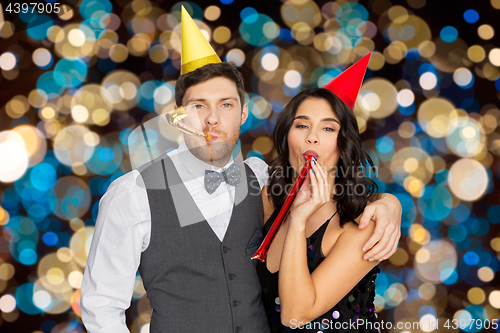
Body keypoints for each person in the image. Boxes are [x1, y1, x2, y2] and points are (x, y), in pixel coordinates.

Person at [80, 8, 401, 333]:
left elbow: (340, 198)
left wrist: (389, 204)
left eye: (226, 105)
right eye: (197, 106)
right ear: (177, 116)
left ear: (244, 113)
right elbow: (101, 308)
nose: (212, 119)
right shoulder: (132, 193)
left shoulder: (260, 179)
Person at [258, 54, 388, 333]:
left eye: (328, 128)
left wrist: (298, 220)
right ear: (286, 135)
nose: (312, 137)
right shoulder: (268, 198)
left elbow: (295, 315)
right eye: (302, 125)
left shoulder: (363, 224)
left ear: (344, 145)